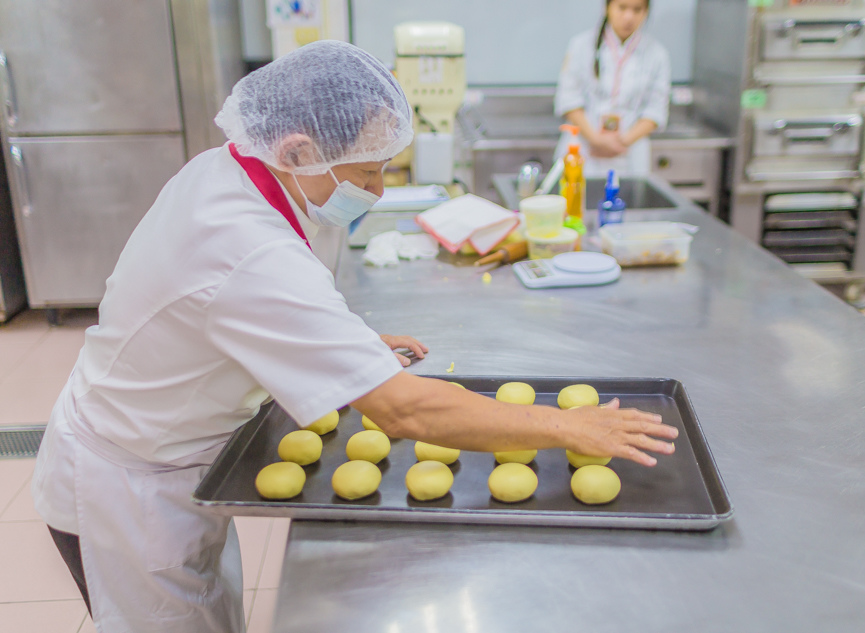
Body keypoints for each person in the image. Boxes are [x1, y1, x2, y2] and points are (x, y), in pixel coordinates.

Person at [31, 41, 678, 633]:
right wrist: (567, 429)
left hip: (183, 457)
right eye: (367, 173)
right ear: (296, 150)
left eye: (385, 168)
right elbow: (405, 408)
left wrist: (347, 338)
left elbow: (246, 307)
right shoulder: (244, 245)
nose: (377, 189)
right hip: (129, 489)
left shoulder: (239, 170)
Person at [554, 0, 671, 177]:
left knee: (629, 201)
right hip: (585, 148)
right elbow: (569, 100)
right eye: (622, 8)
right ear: (607, 8)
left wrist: (621, 143)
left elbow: (655, 111)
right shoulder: (580, 45)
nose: (628, 17)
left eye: (637, 9)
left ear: (646, 12)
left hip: (630, 153)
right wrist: (595, 139)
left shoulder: (657, 54)